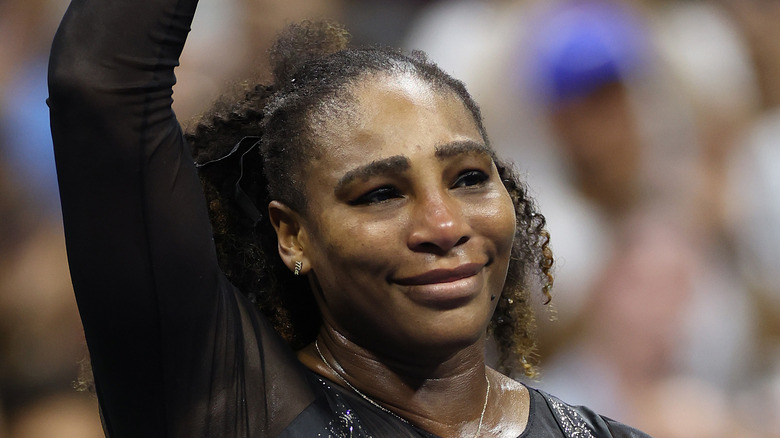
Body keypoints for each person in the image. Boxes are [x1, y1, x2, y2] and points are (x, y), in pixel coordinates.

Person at [47, 0, 651, 436]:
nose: (443, 226)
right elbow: (98, 82)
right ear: (293, 234)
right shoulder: (229, 404)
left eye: (468, 178)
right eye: (381, 194)